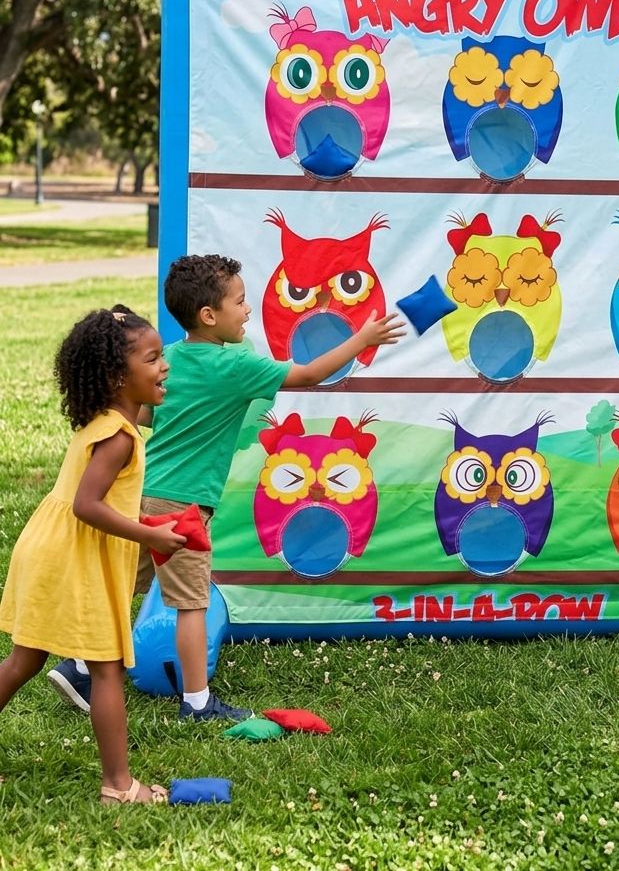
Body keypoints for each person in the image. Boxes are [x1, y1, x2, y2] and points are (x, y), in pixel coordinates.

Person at [48, 254, 405, 720]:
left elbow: (149, 415)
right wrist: (362, 339)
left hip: (139, 495)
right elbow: (309, 375)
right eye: (240, 302)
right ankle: (197, 702)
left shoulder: (169, 360)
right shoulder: (237, 365)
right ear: (209, 316)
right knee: (192, 603)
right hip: (183, 505)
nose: (248, 310)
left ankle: (77, 665)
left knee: (120, 586)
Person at [0, 307, 186, 803]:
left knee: (23, 661)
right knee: (105, 668)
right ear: (116, 376)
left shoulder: (108, 419)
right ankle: (120, 786)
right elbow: (87, 505)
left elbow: (99, 502)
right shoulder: (119, 437)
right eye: (153, 358)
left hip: (50, 551)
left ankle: (118, 783)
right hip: (73, 558)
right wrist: (148, 535)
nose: (164, 366)